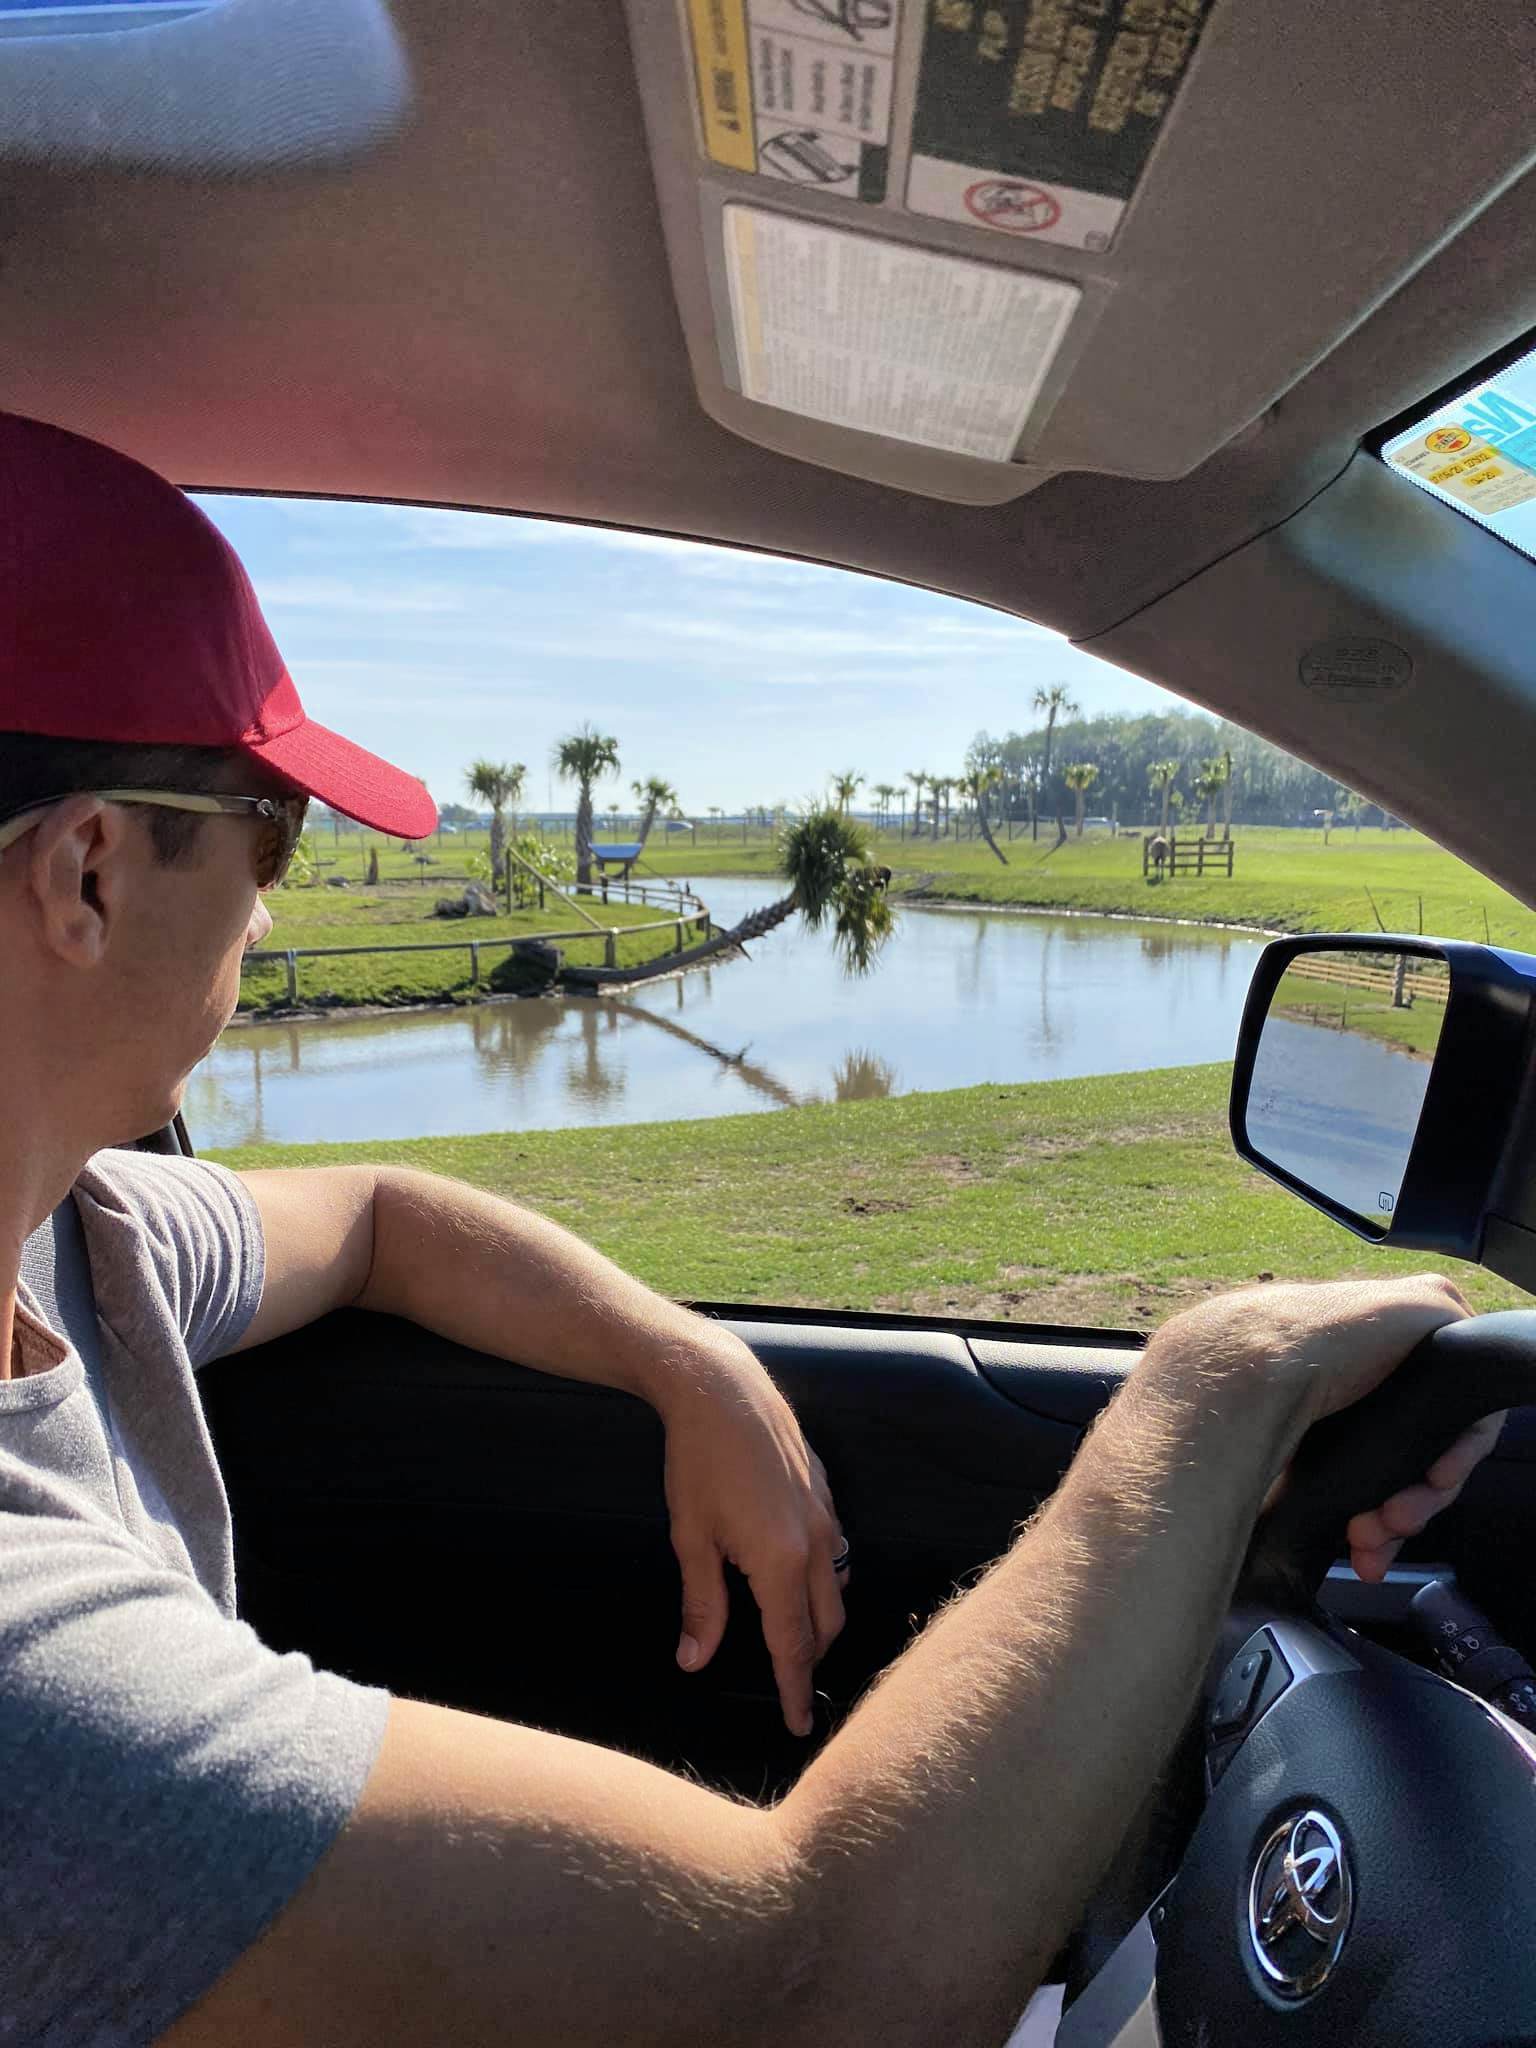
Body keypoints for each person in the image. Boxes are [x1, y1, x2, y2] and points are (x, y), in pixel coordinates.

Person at [0, 412, 1499, 2047]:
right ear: (87, 874)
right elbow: (809, 1984)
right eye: (271, 832)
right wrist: (1211, 1393)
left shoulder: (84, 1236)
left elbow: (374, 1216)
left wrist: (682, 1357)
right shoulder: (33, 1667)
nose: (275, 900)